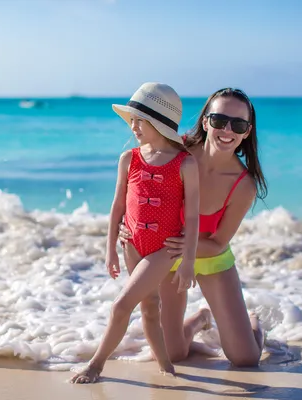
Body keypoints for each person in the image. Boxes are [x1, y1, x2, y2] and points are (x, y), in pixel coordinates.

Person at [119, 87, 268, 368]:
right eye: (219, 120)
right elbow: (137, 184)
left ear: (247, 132)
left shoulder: (243, 184)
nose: (227, 130)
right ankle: (200, 319)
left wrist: (183, 246)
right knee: (172, 354)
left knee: (245, 358)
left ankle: (254, 324)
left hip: (209, 257)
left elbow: (219, 242)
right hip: (168, 256)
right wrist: (126, 226)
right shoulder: (175, 151)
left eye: (238, 124)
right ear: (205, 121)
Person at [70, 82, 200, 384]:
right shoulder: (129, 159)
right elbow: (117, 207)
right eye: (132, 119)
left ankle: (96, 364)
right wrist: (110, 249)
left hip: (164, 249)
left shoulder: (185, 164)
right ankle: (166, 366)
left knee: (121, 305)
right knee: (150, 307)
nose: (133, 126)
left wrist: (189, 260)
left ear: (159, 123)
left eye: (140, 120)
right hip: (132, 243)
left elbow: (192, 215)